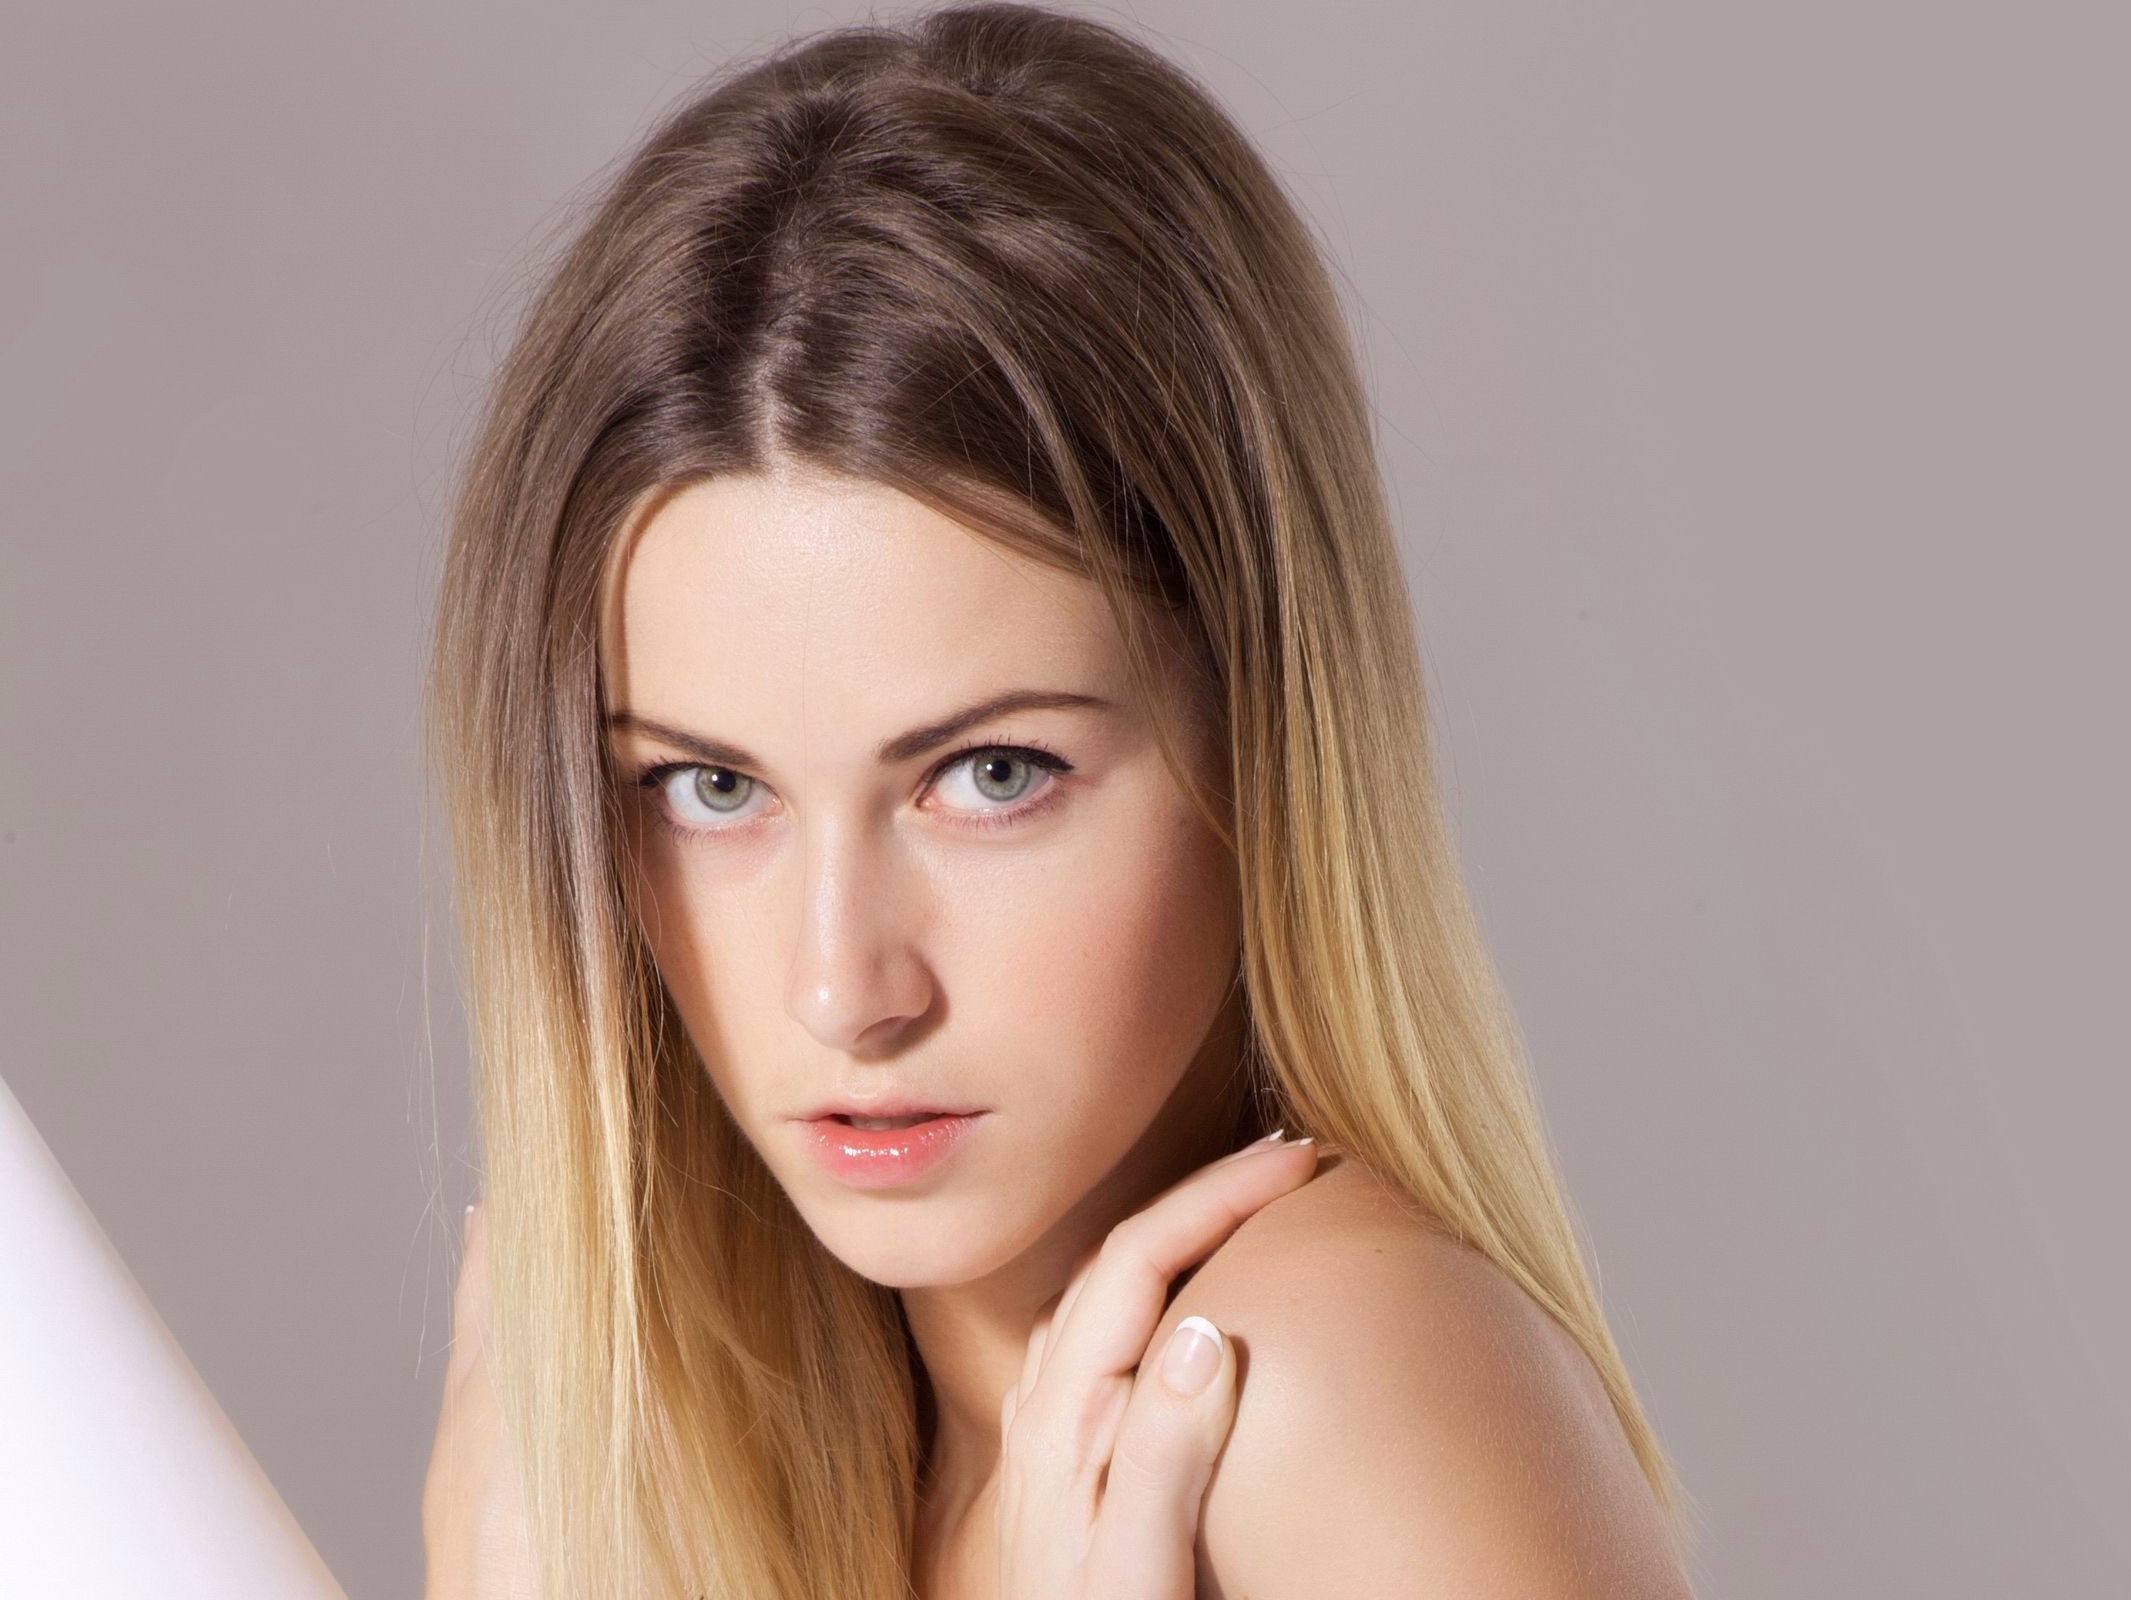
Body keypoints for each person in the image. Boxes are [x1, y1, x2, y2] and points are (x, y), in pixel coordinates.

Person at [419, 5, 1696, 1597]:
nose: (844, 990)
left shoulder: (1302, 1384)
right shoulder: (747, 1455)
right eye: (713, 787)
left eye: (991, 776)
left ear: (1266, 733)